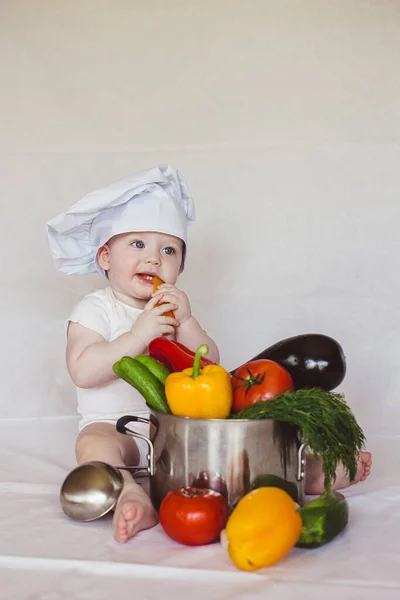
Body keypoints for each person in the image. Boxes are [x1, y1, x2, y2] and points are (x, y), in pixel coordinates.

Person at [47, 165, 371, 544]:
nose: (153, 259)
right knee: (93, 447)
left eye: (168, 250)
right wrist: (138, 334)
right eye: (137, 245)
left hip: (175, 431)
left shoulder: (172, 309)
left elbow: (213, 366)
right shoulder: (95, 309)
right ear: (104, 256)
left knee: (229, 446)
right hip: (113, 427)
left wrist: (186, 322)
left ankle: (309, 472)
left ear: (180, 267)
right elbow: (83, 371)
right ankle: (131, 493)